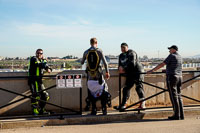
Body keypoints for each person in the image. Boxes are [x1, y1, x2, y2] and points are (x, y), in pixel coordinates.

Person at [147, 45, 184, 120]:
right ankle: (181, 115)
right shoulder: (180, 57)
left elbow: (162, 64)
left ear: (173, 49)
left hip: (172, 77)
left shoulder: (171, 55)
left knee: (173, 96)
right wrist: (167, 70)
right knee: (179, 95)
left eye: (170, 49)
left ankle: (176, 115)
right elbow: (175, 66)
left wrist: (152, 70)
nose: (169, 51)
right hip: (179, 77)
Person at [81, 37, 111, 115]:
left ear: (90, 43)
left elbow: (81, 62)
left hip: (90, 77)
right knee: (103, 91)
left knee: (91, 92)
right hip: (99, 76)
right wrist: (107, 72)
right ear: (96, 43)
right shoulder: (99, 51)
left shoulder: (86, 52)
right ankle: (104, 108)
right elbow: (105, 63)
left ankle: (93, 109)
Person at [114, 43, 145, 111]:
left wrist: (124, 69)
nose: (122, 49)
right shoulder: (121, 55)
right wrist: (119, 68)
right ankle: (123, 105)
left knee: (138, 87)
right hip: (130, 73)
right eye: (121, 47)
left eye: (124, 47)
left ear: (127, 47)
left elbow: (132, 63)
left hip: (137, 71)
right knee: (126, 88)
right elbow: (120, 65)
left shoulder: (131, 52)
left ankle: (142, 105)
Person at [28, 49, 52, 115]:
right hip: (33, 80)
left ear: (42, 54)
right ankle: (34, 110)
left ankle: (41, 110)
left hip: (39, 80)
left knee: (45, 95)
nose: (39, 54)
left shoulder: (42, 60)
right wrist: (45, 62)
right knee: (35, 95)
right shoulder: (33, 58)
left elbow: (46, 66)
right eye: (38, 53)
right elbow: (39, 65)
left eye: (41, 53)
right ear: (36, 53)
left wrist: (48, 68)